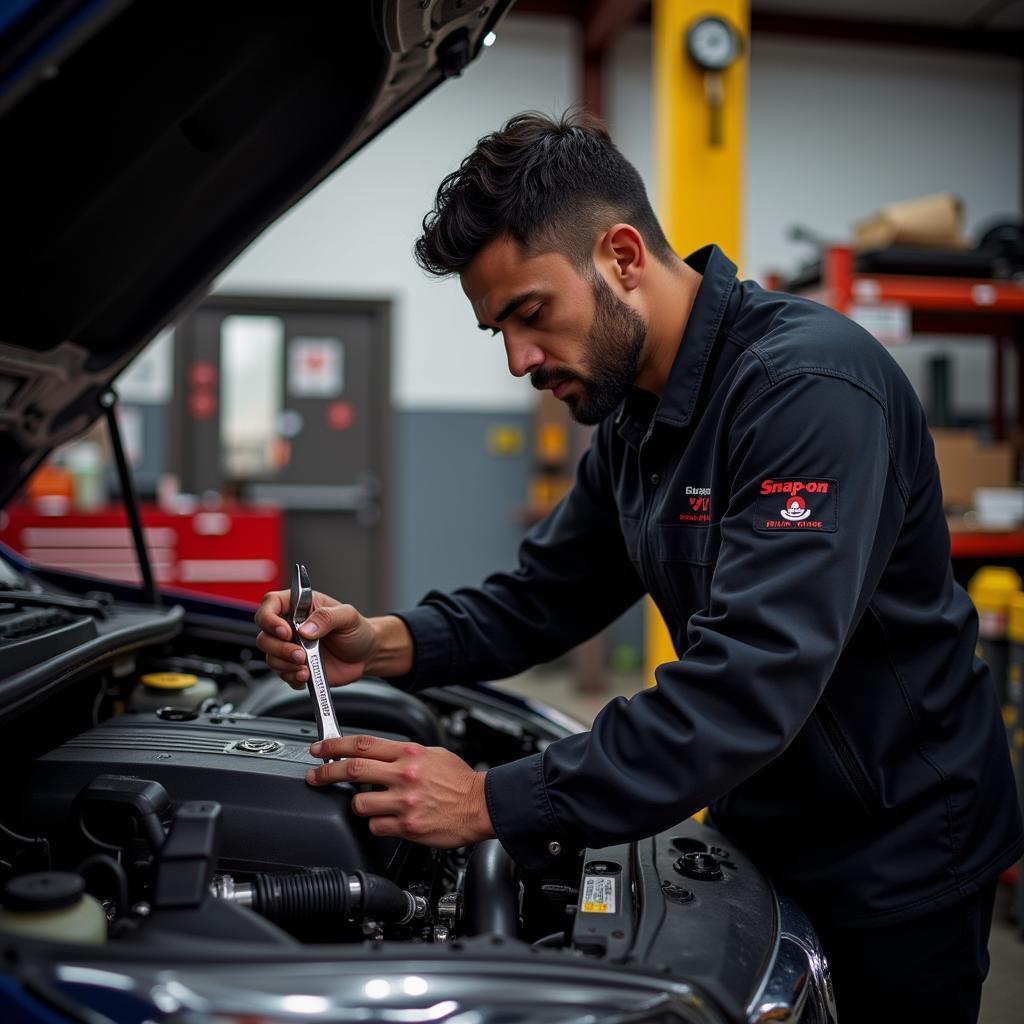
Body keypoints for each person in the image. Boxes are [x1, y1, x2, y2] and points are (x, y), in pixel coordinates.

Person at [255, 111, 1023, 1020]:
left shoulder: (805, 392)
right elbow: (545, 594)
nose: (518, 360)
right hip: (760, 825)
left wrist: (492, 800)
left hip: (897, 854)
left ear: (622, 257)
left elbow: (750, 682)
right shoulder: (635, 421)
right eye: (495, 330)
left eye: (531, 315)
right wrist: (381, 645)